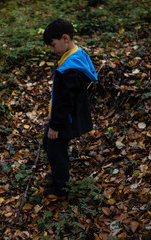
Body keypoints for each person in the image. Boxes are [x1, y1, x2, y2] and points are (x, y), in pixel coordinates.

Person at [42, 19, 98, 199]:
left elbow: (65, 102)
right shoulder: (76, 53)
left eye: (53, 45)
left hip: (65, 118)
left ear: (65, 38)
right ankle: (58, 174)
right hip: (62, 116)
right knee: (49, 144)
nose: (52, 50)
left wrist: (55, 126)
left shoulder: (70, 69)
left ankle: (61, 187)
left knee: (56, 151)